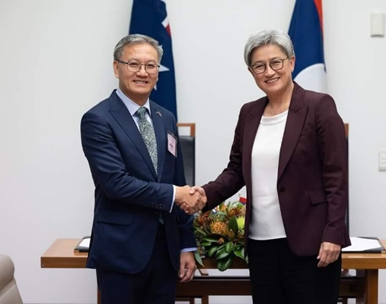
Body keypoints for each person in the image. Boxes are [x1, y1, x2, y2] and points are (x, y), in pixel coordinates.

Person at [189, 29, 350, 304]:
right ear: (251, 72)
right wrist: (203, 195)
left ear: (291, 62)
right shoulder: (249, 113)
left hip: (310, 243)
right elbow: (236, 170)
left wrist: (334, 234)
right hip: (261, 245)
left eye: (276, 62)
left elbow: (336, 177)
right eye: (259, 66)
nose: (269, 72)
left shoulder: (319, 106)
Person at [80, 34, 204, 304]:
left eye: (151, 66)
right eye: (133, 64)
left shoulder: (165, 117)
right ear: (116, 68)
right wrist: (175, 194)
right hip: (121, 251)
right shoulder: (98, 120)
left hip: (166, 251)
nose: (142, 72)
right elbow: (116, 183)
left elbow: (179, 180)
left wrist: (186, 245)